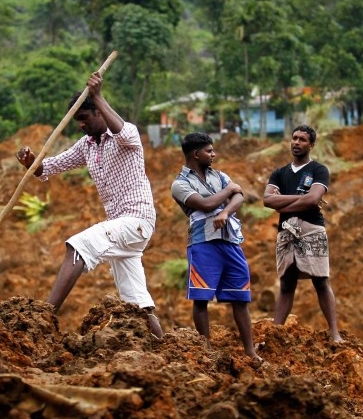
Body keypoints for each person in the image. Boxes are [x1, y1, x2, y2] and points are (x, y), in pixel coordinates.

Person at [16, 72, 163, 339]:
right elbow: (49, 167)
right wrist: (31, 162)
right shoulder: (87, 146)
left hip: (136, 220)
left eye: (84, 118)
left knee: (77, 246)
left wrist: (97, 95)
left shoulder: (125, 135)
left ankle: (45, 315)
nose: (81, 125)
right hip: (121, 229)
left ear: (98, 112)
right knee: (137, 304)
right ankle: (164, 345)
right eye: (77, 121)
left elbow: (123, 131)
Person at [171, 132, 261, 363]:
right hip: (202, 244)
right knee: (201, 299)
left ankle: (250, 352)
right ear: (196, 154)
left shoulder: (218, 175)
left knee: (241, 299)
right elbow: (205, 203)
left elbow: (240, 198)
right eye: (209, 151)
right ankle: (207, 350)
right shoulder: (180, 184)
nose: (214, 154)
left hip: (230, 241)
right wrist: (229, 191)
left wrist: (225, 211)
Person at [263, 125, 342, 343]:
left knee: (321, 281)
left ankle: (335, 333)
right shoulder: (279, 173)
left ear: (311, 145)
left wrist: (283, 203)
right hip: (286, 231)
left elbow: (313, 199)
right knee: (287, 283)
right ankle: (275, 334)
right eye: (294, 138)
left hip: (311, 229)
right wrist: (300, 200)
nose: (297, 142)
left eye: (303, 140)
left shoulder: (318, 170)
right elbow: (267, 200)